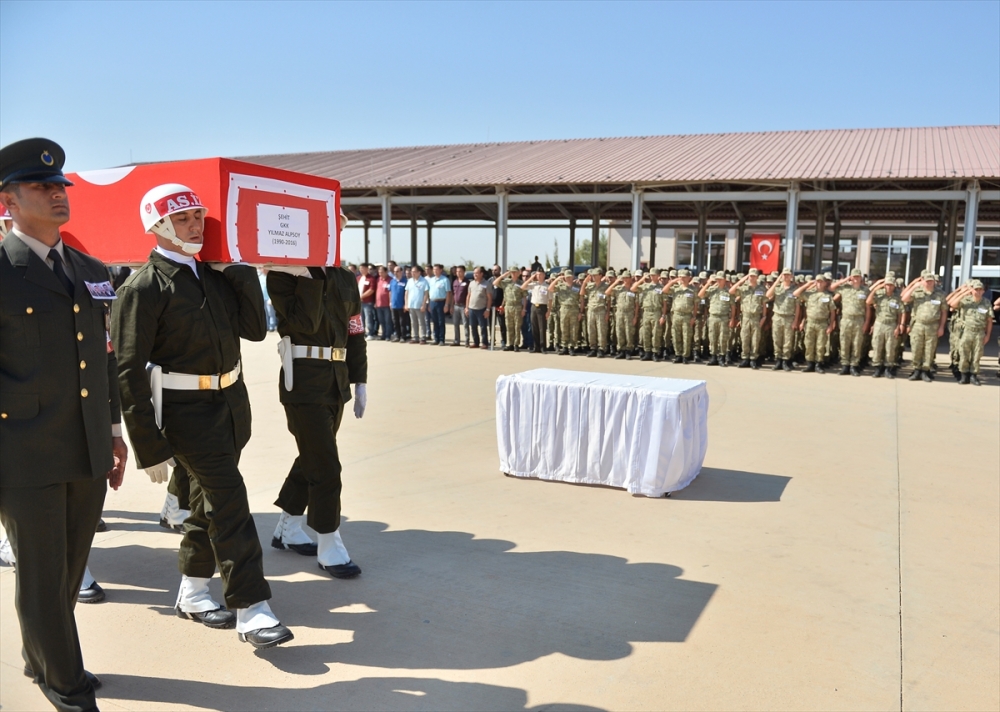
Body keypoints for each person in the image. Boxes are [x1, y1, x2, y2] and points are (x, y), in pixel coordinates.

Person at [112, 182, 292, 649]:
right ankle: (251, 607)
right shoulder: (142, 287)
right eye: (185, 218)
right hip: (186, 413)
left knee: (206, 503)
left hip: (231, 404)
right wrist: (147, 445)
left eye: (198, 216)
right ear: (159, 225)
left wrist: (238, 271)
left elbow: (254, 330)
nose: (196, 224)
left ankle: (192, 591)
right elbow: (128, 370)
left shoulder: (212, 275)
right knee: (230, 500)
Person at [0, 137, 128, 711]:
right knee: (42, 573)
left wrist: (114, 432)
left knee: (71, 567)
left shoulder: (90, 268)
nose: (57, 194)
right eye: (40, 187)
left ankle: (40, 657)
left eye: (60, 186)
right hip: (21, 450)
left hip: (86, 445)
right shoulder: (4, 269)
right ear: (8, 200)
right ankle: (66, 684)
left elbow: (102, 359)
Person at [267, 212, 367, 579]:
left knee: (311, 456)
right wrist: (307, 275)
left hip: (336, 381)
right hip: (303, 382)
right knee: (326, 464)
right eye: (329, 231)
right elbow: (303, 324)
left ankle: (288, 526)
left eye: (338, 232)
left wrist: (361, 380)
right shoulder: (282, 276)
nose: (335, 237)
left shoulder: (345, 278)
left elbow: (355, 331)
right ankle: (329, 542)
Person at [901, 270, 948, 382]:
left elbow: (944, 312)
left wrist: (942, 327)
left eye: (931, 281)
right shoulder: (917, 292)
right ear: (923, 281)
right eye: (927, 281)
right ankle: (916, 370)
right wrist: (914, 286)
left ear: (934, 282)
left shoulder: (940, 294)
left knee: (929, 349)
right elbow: (904, 299)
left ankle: (925, 371)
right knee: (916, 348)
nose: (929, 283)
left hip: (933, 325)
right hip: (918, 325)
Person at [947, 280, 994, 385]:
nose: (978, 292)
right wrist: (964, 292)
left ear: (983, 291)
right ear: (972, 290)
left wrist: (988, 335)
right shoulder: (965, 301)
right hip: (966, 331)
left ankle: (974, 376)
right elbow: (952, 304)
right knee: (964, 354)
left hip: (979, 332)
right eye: (976, 289)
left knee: (976, 355)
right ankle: (964, 375)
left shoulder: (986, 303)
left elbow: (989, 321)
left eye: (980, 290)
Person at [793, 275, 838, 373]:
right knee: (809, 343)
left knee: (821, 345)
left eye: (821, 282)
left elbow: (833, 311)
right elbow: (795, 293)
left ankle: (818, 364)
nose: (819, 283)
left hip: (822, 323)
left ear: (825, 283)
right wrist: (807, 285)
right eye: (817, 281)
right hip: (810, 322)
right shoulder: (809, 294)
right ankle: (810, 363)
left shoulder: (827, 296)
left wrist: (831, 325)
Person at [832, 268, 870, 376]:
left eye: (858, 277)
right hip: (846, 319)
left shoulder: (865, 290)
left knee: (857, 343)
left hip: (859, 320)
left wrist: (867, 322)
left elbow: (868, 307)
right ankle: (845, 365)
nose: (856, 279)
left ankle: (854, 366)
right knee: (844, 342)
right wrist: (844, 280)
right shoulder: (845, 288)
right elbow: (831, 287)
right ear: (851, 277)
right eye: (854, 277)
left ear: (861, 278)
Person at [865, 274, 904, 378]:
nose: (889, 287)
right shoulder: (879, 295)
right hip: (879, 324)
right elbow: (868, 301)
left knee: (890, 348)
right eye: (887, 285)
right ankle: (877, 368)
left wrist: (899, 326)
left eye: (891, 285)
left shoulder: (897, 297)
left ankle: (888, 369)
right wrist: (876, 288)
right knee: (877, 346)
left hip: (891, 324)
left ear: (894, 286)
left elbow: (900, 312)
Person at [730, 268, 767, 369]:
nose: (752, 278)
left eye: (754, 276)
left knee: (755, 339)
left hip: (756, 317)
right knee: (745, 338)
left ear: (757, 277)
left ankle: (753, 359)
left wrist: (764, 317)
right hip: (745, 316)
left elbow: (764, 303)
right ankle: (745, 358)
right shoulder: (743, 288)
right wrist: (742, 280)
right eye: (750, 276)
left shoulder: (761, 289)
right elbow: (731, 291)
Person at [700, 272, 735, 366]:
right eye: (717, 279)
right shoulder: (712, 290)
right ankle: (713, 357)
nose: (718, 281)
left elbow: (733, 306)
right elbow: (700, 294)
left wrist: (732, 319)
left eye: (720, 279)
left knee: (723, 338)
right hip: (713, 317)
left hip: (724, 317)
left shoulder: (728, 291)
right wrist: (708, 283)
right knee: (712, 338)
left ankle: (722, 358)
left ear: (724, 280)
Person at [766, 268, 797, 371]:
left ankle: (785, 361)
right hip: (777, 317)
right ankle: (778, 360)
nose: (786, 277)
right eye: (784, 275)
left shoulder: (794, 289)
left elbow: (798, 307)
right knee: (777, 339)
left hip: (789, 317)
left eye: (788, 275)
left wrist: (796, 320)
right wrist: (777, 281)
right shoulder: (777, 288)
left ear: (791, 276)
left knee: (787, 341)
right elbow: (768, 295)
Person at [665, 269, 696, 363]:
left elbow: (696, 304)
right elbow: (664, 290)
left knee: (686, 336)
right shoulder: (675, 288)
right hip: (676, 315)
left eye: (684, 277)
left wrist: (694, 316)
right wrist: (672, 282)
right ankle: (678, 354)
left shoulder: (693, 289)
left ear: (689, 278)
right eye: (680, 276)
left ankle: (685, 356)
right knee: (676, 336)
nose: (682, 278)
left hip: (687, 316)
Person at [493, 268, 524, 351]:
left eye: (515, 272)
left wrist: (524, 309)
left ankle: (516, 344)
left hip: (517, 306)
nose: (513, 274)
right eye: (512, 272)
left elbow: (525, 297)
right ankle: (510, 344)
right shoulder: (506, 282)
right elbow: (495, 283)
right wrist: (503, 275)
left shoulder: (521, 283)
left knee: (517, 326)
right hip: (508, 307)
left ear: (518, 273)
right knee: (509, 326)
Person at [581, 268, 609, 357]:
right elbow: (581, 293)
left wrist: (608, 312)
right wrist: (585, 282)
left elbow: (609, 301)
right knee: (591, 330)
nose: (593, 277)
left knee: (601, 330)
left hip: (601, 310)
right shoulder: (590, 286)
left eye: (595, 275)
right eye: (592, 275)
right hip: (591, 310)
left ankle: (601, 349)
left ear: (600, 275)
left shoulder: (606, 286)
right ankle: (593, 348)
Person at [523, 269, 548, 353]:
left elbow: (550, 299)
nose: (539, 276)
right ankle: (536, 347)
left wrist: (549, 310)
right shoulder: (533, 284)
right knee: (534, 328)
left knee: (542, 328)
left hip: (543, 307)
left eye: (540, 274)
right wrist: (531, 278)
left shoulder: (547, 285)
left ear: (544, 275)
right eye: (537, 275)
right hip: (534, 306)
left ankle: (543, 347)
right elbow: (523, 287)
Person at [466, 266, 492, 348]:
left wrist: (487, 309)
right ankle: (475, 342)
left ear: (481, 274)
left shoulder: (486, 284)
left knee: (483, 327)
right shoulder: (471, 283)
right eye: (474, 273)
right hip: (471, 308)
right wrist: (467, 307)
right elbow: (468, 296)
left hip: (482, 309)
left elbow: (489, 298)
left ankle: (484, 343)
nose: (475, 275)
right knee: (473, 327)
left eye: (477, 273)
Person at [404, 265, 429, 343]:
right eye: (412, 272)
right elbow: (407, 292)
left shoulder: (424, 281)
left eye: (414, 272)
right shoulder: (410, 281)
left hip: (419, 305)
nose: (413, 273)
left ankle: (423, 337)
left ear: (419, 272)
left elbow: (426, 293)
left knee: (421, 322)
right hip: (411, 305)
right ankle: (415, 337)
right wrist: (406, 304)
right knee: (413, 322)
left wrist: (424, 304)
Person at [426, 263, 450, 345]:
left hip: (441, 302)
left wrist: (446, 304)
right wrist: (429, 303)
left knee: (441, 321)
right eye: (434, 269)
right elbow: (429, 292)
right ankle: (435, 339)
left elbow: (448, 293)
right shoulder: (431, 280)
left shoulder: (445, 280)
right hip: (432, 302)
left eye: (437, 269)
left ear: (441, 270)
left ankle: (441, 339)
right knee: (434, 321)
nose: (435, 271)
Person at [356, 263, 377, 339]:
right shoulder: (358, 278)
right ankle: (362, 333)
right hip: (359, 302)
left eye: (363, 268)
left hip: (367, 302)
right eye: (360, 268)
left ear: (367, 269)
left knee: (368, 318)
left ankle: (370, 333)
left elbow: (371, 290)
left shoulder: (371, 278)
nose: (361, 270)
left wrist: (361, 296)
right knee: (361, 319)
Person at [451, 265, 470, 346]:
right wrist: (451, 306)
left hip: (463, 306)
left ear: (464, 272)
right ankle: (457, 340)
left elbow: (468, 295)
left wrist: (467, 307)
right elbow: (453, 294)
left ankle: (467, 341)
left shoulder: (467, 282)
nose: (458, 273)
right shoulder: (454, 282)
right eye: (457, 272)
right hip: (455, 306)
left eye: (460, 271)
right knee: (455, 324)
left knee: (465, 324)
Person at [374, 264, 393, 341]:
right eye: (379, 272)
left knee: (388, 321)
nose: (380, 273)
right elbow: (377, 292)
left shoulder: (390, 280)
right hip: (379, 304)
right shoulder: (378, 280)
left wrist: (391, 302)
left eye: (382, 272)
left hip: (387, 304)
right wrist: (375, 302)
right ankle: (383, 334)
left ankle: (388, 335)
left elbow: (391, 292)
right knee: (381, 321)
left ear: (386, 272)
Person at [388, 265, 408, 341]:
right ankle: (397, 336)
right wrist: (390, 302)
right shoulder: (392, 281)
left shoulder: (405, 281)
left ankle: (403, 336)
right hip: (394, 305)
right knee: (395, 322)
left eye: (397, 271)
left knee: (402, 322)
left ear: (401, 272)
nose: (395, 273)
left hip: (401, 305)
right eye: (394, 271)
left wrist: (405, 304)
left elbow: (407, 293)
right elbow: (390, 292)